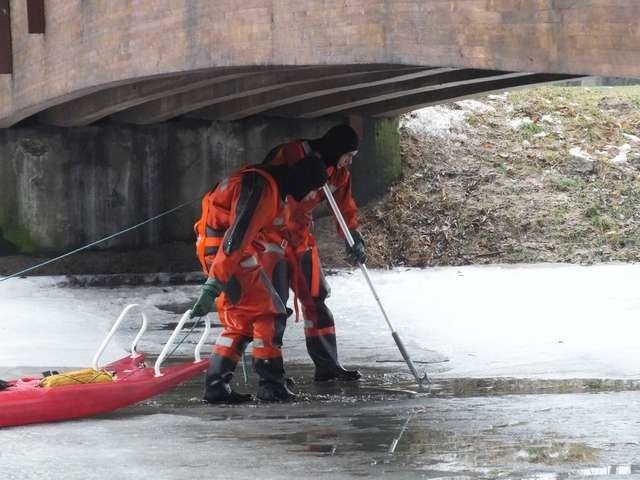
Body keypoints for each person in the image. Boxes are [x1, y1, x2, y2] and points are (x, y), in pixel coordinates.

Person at [190, 157, 327, 404]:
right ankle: (271, 385)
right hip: (228, 255)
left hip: (221, 252)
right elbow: (237, 237)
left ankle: (216, 386)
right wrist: (214, 284)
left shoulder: (265, 180)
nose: (310, 197)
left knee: (241, 321)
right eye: (312, 190)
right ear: (304, 182)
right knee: (271, 313)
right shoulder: (262, 189)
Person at [260, 124, 366, 382]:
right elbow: (266, 185)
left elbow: (345, 207)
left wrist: (354, 238)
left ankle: (328, 365)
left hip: (301, 241)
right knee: (274, 307)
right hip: (272, 238)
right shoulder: (292, 153)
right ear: (337, 149)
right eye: (348, 154)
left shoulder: (339, 174)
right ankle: (272, 375)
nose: (350, 160)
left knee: (316, 300)